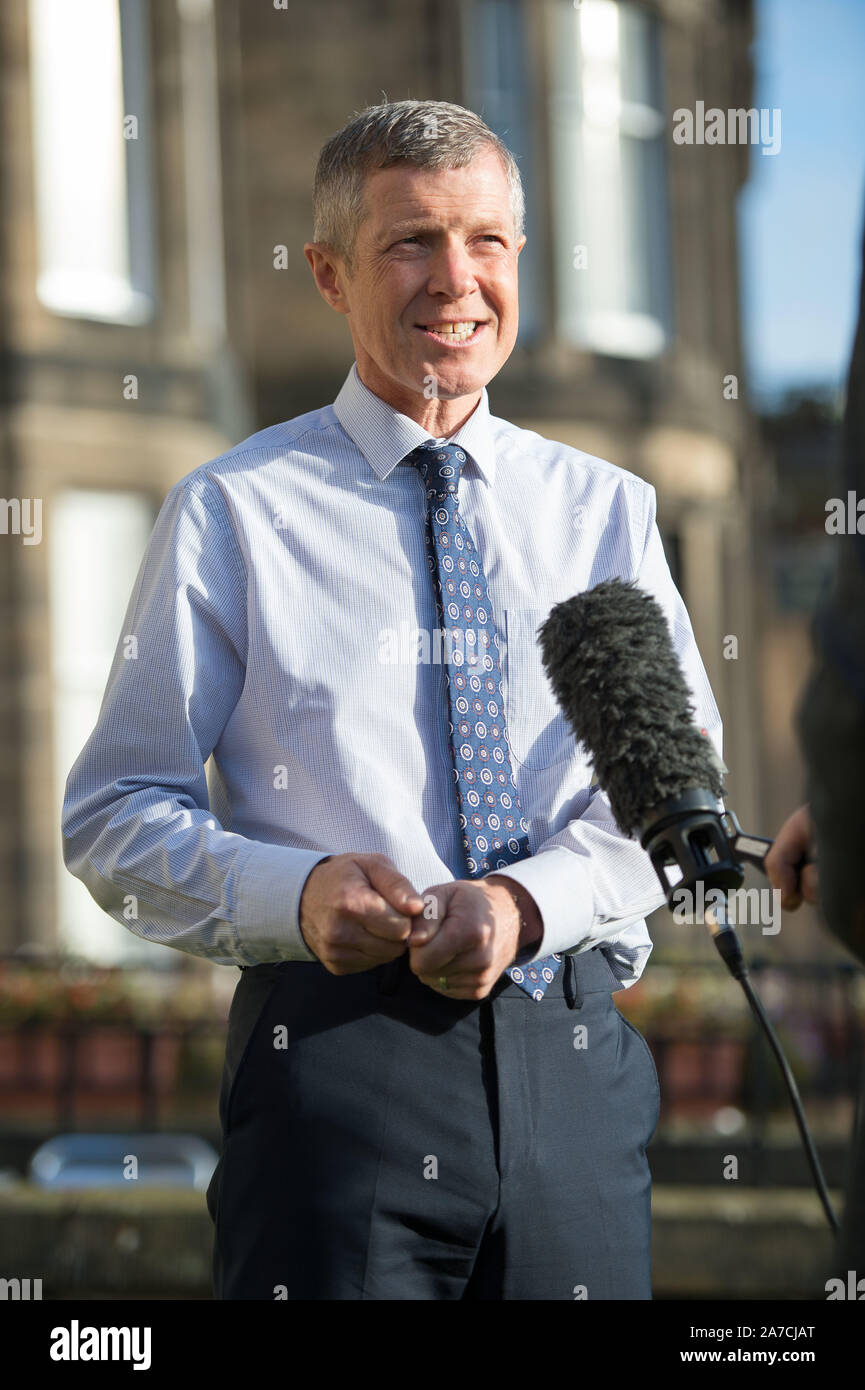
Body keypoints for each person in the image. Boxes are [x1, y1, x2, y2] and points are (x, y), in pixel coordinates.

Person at [61, 100, 722, 1300]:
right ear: (327, 274)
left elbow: (672, 811)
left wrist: (526, 904)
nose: (455, 280)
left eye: (487, 242)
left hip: (574, 1071)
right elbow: (114, 812)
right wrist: (296, 893)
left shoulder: (607, 511)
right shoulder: (232, 510)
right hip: (333, 1071)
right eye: (410, 242)